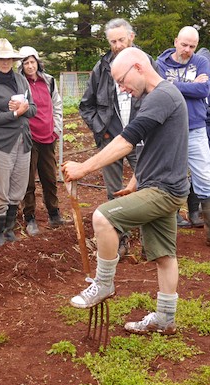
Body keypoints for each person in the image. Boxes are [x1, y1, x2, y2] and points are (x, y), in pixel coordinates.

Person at [63, 47, 189, 335]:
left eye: (122, 80)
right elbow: (159, 146)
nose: (121, 87)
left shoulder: (161, 96)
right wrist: (135, 181)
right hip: (162, 185)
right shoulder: (155, 97)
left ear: (138, 67)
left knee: (103, 217)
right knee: (164, 256)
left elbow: (128, 140)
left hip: (163, 190)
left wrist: (84, 168)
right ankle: (166, 319)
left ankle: (104, 284)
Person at [79, 18, 157, 255]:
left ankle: (149, 243)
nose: (117, 45)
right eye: (113, 41)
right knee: (114, 193)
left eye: (121, 39)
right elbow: (86, 105)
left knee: (146, 188)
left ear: (131, 37)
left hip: (141, 138)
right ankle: (121, 240)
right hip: (111, 139)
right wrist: (101, 130)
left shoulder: (145, 63)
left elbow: (156, 96)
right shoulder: (101, 68)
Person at [156, 26, 210, 250]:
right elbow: (159, 89)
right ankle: (164, 232)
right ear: (175, 41)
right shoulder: (160, 64)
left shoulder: (201, 62)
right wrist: (190, 85)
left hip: (196, 128)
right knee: (167, 180)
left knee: (205, 178)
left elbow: (203, 91)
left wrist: (174, 85)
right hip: (169, 129)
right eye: (184, 44)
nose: (187, 50)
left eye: (192, 46)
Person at [0, 38, 37, 247]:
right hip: (0, 143)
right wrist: (14, 113)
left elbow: (33, 109)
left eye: (9, 59)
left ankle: (9, 229)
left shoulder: (21, 80)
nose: (5, 62)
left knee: (17, 190)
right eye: (1, 59)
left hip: (22, 141)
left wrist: (23, 108)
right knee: (0, 191)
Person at [17, 46, 65, 236]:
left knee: (49, 177)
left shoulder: (49, 81)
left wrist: (56, 129)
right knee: (28, 180)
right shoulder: (20, 84)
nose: (30, 66)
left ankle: (54, 213)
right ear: (21, 66)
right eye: (26, 63)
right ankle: (29, 218)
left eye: (32, 62)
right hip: (29, 138)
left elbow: (57, 105)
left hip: (48, 136)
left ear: (38, 62)